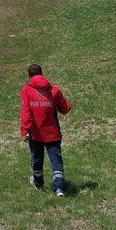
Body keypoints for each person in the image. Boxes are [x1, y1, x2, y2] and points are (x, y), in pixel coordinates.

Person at [20, 64, 72, 196]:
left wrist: (25, 130)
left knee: (37, 158)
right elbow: (65, 109)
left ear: (29, 76)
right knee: (56, 159)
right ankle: (59, 187)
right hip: (52, 133)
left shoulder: (26, 91)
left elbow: (26, 112)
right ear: (42, 74)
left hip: (35, 133)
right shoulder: (54, 91)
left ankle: (38, 183)